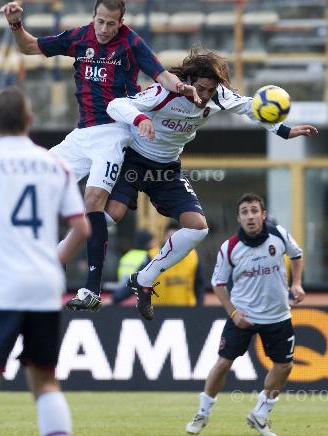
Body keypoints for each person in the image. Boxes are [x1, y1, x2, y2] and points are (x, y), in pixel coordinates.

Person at [0, 0, 199, 312]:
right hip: (82, 135)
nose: (104, 29)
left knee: (93, 200)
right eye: (100, 21)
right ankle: (35, 257)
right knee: (37, 180)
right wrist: (15, 24)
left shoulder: (131, 43)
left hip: (116, 131)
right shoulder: (80, 37)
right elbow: (30, 47)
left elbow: (161, 74)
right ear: (93, 16)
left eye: (111, 23)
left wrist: (181, 88)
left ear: (121, 22)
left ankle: (91, 288)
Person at [102, 49, 317, 320]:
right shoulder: (164, 91)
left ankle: (144, 279)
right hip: (134, 160)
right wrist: (140, 119)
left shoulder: (219, 96)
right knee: (110, 217)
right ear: (188, 79)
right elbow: (118, 105)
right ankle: (70, 257)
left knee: (197, 228)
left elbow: (251, 107)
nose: (204, 96)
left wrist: (284, 131)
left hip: (166, 169)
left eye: (210, 90)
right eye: (201, 88)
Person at [0, 87, 90, 436]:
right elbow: (80, 228)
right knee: (45, 379)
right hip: (43, 286)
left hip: (2, 284)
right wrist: (54, 263)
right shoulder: (55, 164)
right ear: (30, 121)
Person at [186, 193, 305, 436]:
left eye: (254, 211)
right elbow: (218, 284)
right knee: (223, 364)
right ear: (239, 219)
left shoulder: (279, 234)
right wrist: (232, 313)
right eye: (245, 212)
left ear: (263, 215)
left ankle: (260, 414)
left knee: (284, 366)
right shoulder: (229, 248)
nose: (250, 216)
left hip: (278, 315)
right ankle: (203, 413)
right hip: (244, 316)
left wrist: (297, 284)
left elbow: (297, 255)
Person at [113, 221, 206, 306]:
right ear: (165, 237)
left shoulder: (193, 256)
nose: (173, 241)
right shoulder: (153, 256)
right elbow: (138, 280)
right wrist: (116, 298)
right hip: (160, 311)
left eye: (176, 237)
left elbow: (199, 285)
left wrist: (199, 307)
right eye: (170, 236)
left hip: (187, 310)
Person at [112, 229, 157, 304]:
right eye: (153, 241)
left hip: (122, 297)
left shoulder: (126, 256)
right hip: (137, 298)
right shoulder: (148, 257)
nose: (155, 244)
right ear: (147, 242)